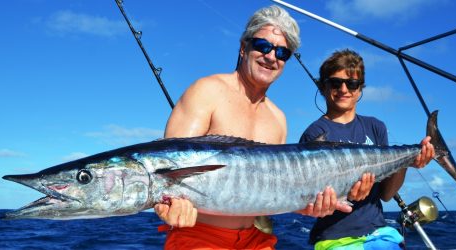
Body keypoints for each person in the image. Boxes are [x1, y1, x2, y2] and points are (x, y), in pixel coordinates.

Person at [153, 6, 374, 250]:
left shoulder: (278, 118)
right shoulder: (205, 92)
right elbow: (166, 172)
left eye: (282, 53)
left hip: (256, 239)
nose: (271, 57)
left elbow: (275, 194)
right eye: (263, 45)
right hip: (199, 236)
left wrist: (312, 206)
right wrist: (167, 207)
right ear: (243, 47)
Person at [299, 49, 435, 249]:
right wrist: (347, 194)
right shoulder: (315, 133)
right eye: (335, 82)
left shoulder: (375, 127)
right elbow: (314, 199)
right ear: (323, 86)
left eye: (352, 84)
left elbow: (386, 194)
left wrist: (406, 163)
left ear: (360, 89)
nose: (344, 89)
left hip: (379, 232)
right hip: (335, 237)